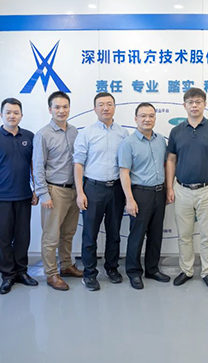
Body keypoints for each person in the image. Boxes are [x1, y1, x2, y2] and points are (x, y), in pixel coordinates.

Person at [166, 88, 208, 289]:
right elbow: (171, 160)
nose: (194, 105)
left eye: (198, 101)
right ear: (184, 105)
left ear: (205, 104)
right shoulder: (177, 131)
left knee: (207, 235)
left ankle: (207, 272)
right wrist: (169, 187)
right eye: (190, 102)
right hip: (182, 189)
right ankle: (186, 270)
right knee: (184, 235)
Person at [0, 98, 39, 295]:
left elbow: (33, 166)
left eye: (16, 112)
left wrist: (35, 189)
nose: (12, 116)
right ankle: (7, 275)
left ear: (21, 115)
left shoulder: (29, 137)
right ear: (1, 115)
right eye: (8, 112)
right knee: (2, 238)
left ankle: (22, 272)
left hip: (23, 196)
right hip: (0, 197)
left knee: (22, 237)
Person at [74, 92, 128, 291]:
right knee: (90, 234)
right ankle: (89, 273)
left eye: (109, 104)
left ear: (114, 107)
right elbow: (78, 164)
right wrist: (80, 192)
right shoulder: (86, 133)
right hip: (93, 188)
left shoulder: (123, 133)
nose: (105, 108)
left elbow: (126, 165)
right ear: (94, 108)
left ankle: (112, 268)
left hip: (116, 189)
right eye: (101, 104)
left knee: (114, 233)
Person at [118, 103, 171, 290]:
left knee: (156, 234)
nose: (147, 119)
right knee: (137, 235)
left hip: (159, 192)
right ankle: (134, 272)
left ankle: (152, 269)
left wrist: (168, 189)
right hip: (140, 193)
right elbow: (124, 172)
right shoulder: (128, 143)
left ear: (155, 118)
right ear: (136, 119)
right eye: (143, 116)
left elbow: (165, 165)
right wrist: (129, 199)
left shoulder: (160, 140)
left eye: (151, 116)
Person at [33, 91, 82, 291]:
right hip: (54, 191)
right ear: (50, 109)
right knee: (51, 236)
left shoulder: (74, 131)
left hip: (73, 190)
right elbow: (37, 166)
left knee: (68, 232)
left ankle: (66, 265)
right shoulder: (43, 134)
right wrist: (43, 194)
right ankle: (51, 274)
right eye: (57, 107)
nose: (61, 111)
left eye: (65, 107)